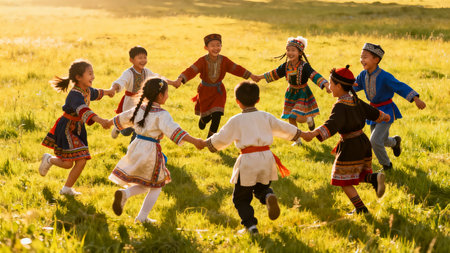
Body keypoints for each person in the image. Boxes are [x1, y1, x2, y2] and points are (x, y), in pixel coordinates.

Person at [202, 81, 304, 234]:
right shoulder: (266, 116)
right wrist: (302, 134)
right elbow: (284, 127)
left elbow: (221, 138)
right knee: (261, 187)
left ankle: (251, 227)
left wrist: (206, 144)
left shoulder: (236, 120)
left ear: (237, 102)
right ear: (258, 100)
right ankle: (268, 195)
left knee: (241, 199)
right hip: (266, 159)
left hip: (248, 161)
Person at [109, 78, 203, 223]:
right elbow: (176, 132)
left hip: (135, 146)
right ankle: (142, 217)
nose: (168, 96)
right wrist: (196, 141)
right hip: (150, 151)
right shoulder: (162, 115)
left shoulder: (139, 109)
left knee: (146, 184)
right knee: (157, 185)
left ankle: (125, 194)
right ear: (160, 96)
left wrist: (106, 122)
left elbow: (121, 118)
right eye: (166, 93)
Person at [302, 65, 390, 214]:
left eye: (331, 84)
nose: (329, 87)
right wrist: (384, 116)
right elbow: (372, 112)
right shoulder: (355, 100)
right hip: (362, 142)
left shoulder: (340, 106)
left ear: (339, 86)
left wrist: (314, 133)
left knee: (342, 180)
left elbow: (332, 124)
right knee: (354, 173)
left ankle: (361, 209)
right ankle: (374, 178)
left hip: (350, 145)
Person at [39, 59, 115, 195]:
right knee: (75, 161)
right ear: (78, 77)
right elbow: (83, 110)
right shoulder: (75, 95)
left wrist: (109, 92)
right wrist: (100, 120)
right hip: (67, 128)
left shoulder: (86, 90)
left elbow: (96, 93)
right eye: (90, 74)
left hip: (77, 128)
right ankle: (50, 161)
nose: (93, 76)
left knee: (78, 161)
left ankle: (66, 188)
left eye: (93, 73)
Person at [169, 33, 258, 138]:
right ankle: (203, 119)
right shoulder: (202, 61)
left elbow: (236, 68)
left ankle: (211, 140)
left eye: (218, 45)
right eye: (213, 45)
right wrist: (180, 79)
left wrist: (251, 75)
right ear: (206, 47)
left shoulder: (224, 60)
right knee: (206, 118)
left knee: (217, 114)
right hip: (205, 91)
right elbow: (191, 70)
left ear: (221, 46)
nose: (216, 48)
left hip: (218, 91)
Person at [354, 43, 426, 170]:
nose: (362, 60)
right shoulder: (362, 75)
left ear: (376, 60)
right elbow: (353, 86)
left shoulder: (385, 76)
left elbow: (400, 86)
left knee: (375, 141)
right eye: (361, 57)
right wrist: (340, 85)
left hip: (386, 111)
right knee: (382, 140)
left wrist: (415, 98)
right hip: (372, 111)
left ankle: (387, 166)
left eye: (365, 57)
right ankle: (395, 142)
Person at [254, 36, 331, 145]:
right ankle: (297, 140)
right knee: (291, 117)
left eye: (293, 50)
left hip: (302, 92)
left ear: (300, 52)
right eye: (288, 50)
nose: (290, 53)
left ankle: (309, 118)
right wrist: (259, 77)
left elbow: (314, 75)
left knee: (298, 117)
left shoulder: (304, 66)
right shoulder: (286, 66)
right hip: (290, 93)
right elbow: (274, 73)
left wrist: (326, 84)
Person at [110, 46, 163, 141]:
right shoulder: (128, 73)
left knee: (138, 128)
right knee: (126, 131)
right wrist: (113, 89)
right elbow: (120, 81)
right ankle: (118, 127)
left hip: (142, 104)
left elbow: (157, 79)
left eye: (145, 57)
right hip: (129, 104)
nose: (143, 60)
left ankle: (133, 149)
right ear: (131, 60)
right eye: (140, 58)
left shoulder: (147, 72)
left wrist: (173, 82)